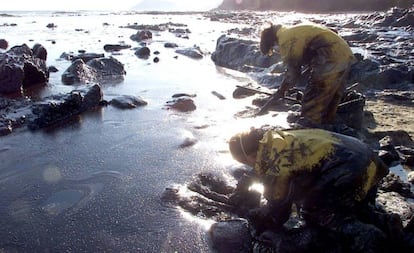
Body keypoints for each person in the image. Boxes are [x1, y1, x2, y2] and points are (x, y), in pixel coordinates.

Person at [228, 127, 391, 252]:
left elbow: (278, 208)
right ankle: (387, 224)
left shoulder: (277, 164)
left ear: (250, 156)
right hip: (366, 158)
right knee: (354, 206)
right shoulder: (278, 139)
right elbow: (266, 166)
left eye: (245, 162)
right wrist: (245, 183)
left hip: (348, 169)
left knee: (317, 214)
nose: (249, 166)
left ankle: (366, 236)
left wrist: (259, 218)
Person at [259, 22, 357, 125]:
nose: (276, 51)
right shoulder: (293, 30)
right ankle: (327, 126)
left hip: (330, 59)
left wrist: (281, 91)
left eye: (273, 49)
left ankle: (310, 129)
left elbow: (292, 74)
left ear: (272, 41)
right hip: (345, 56)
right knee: (330, 102)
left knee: (311, 104)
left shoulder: (286, 40)